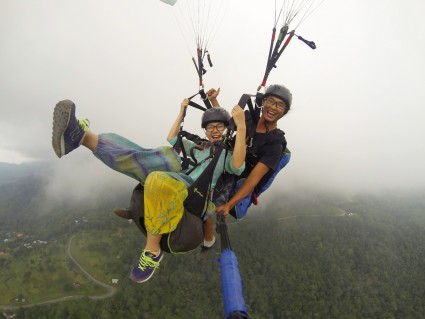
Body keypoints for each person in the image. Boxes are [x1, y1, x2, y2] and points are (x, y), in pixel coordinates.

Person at [51, 97, 246, 283]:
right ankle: (81, 136)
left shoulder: (226, 154)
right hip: (179, 177)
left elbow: (237, 166)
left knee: (156, 180)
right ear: (205, 130)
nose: (215, 130)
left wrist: (241, 126)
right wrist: (181, 112)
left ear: (226, 129)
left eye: (219, 126)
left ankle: (152, 252)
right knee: (153, 155)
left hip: (195, 192)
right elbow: (171, 137)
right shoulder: (197, 147)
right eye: (210, 126)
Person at [200, 84, 291, 251]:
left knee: (202, 202)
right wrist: (214, 101)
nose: (273, 107)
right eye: (270, 101)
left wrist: (229, 205)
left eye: (280, 105)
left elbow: (252, 181)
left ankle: (207, 239)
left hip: (238, 184)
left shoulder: (274, 145)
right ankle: (207, 238)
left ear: (284, 112)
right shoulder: (249, 118)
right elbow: (228, 126)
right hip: (229, 166)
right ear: (263, 102)